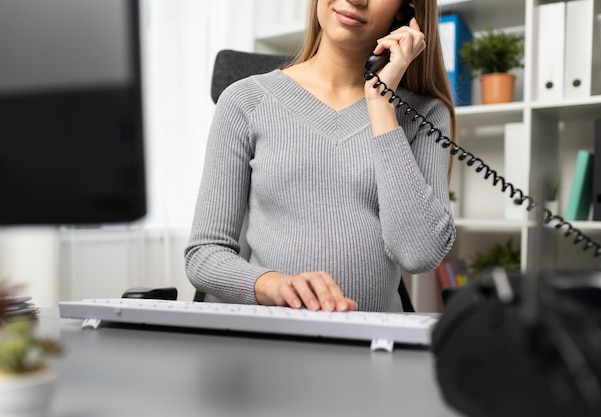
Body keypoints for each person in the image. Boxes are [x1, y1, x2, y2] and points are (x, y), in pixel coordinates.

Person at [185, 0, 457, 313]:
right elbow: (204, 255)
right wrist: (275, 285)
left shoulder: (425, 113)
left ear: (404, 11)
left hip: (375, 346)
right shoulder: (245, 101)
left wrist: (381, 104)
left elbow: (419, 254)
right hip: (275, 339)